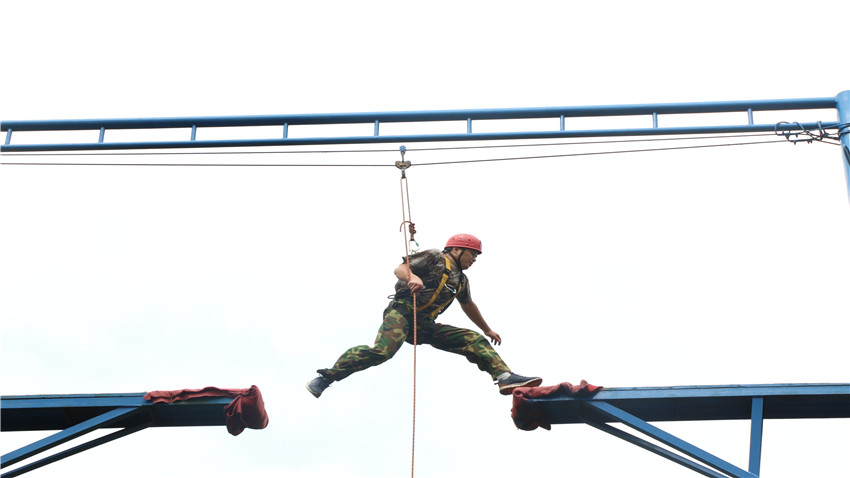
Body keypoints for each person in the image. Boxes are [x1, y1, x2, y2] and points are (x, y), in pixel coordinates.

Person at [306, 233, 541, 398]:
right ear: (457, 250)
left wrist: (486, 329)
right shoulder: (435, 257)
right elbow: (400, 268)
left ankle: (503, 376)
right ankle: (326, 378)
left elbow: (468, 304)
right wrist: (413, 277)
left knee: (472, 339)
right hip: (402, 314)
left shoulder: (461, 280)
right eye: (472, 254)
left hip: (425, 324)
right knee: (382, 352)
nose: (474, 259)